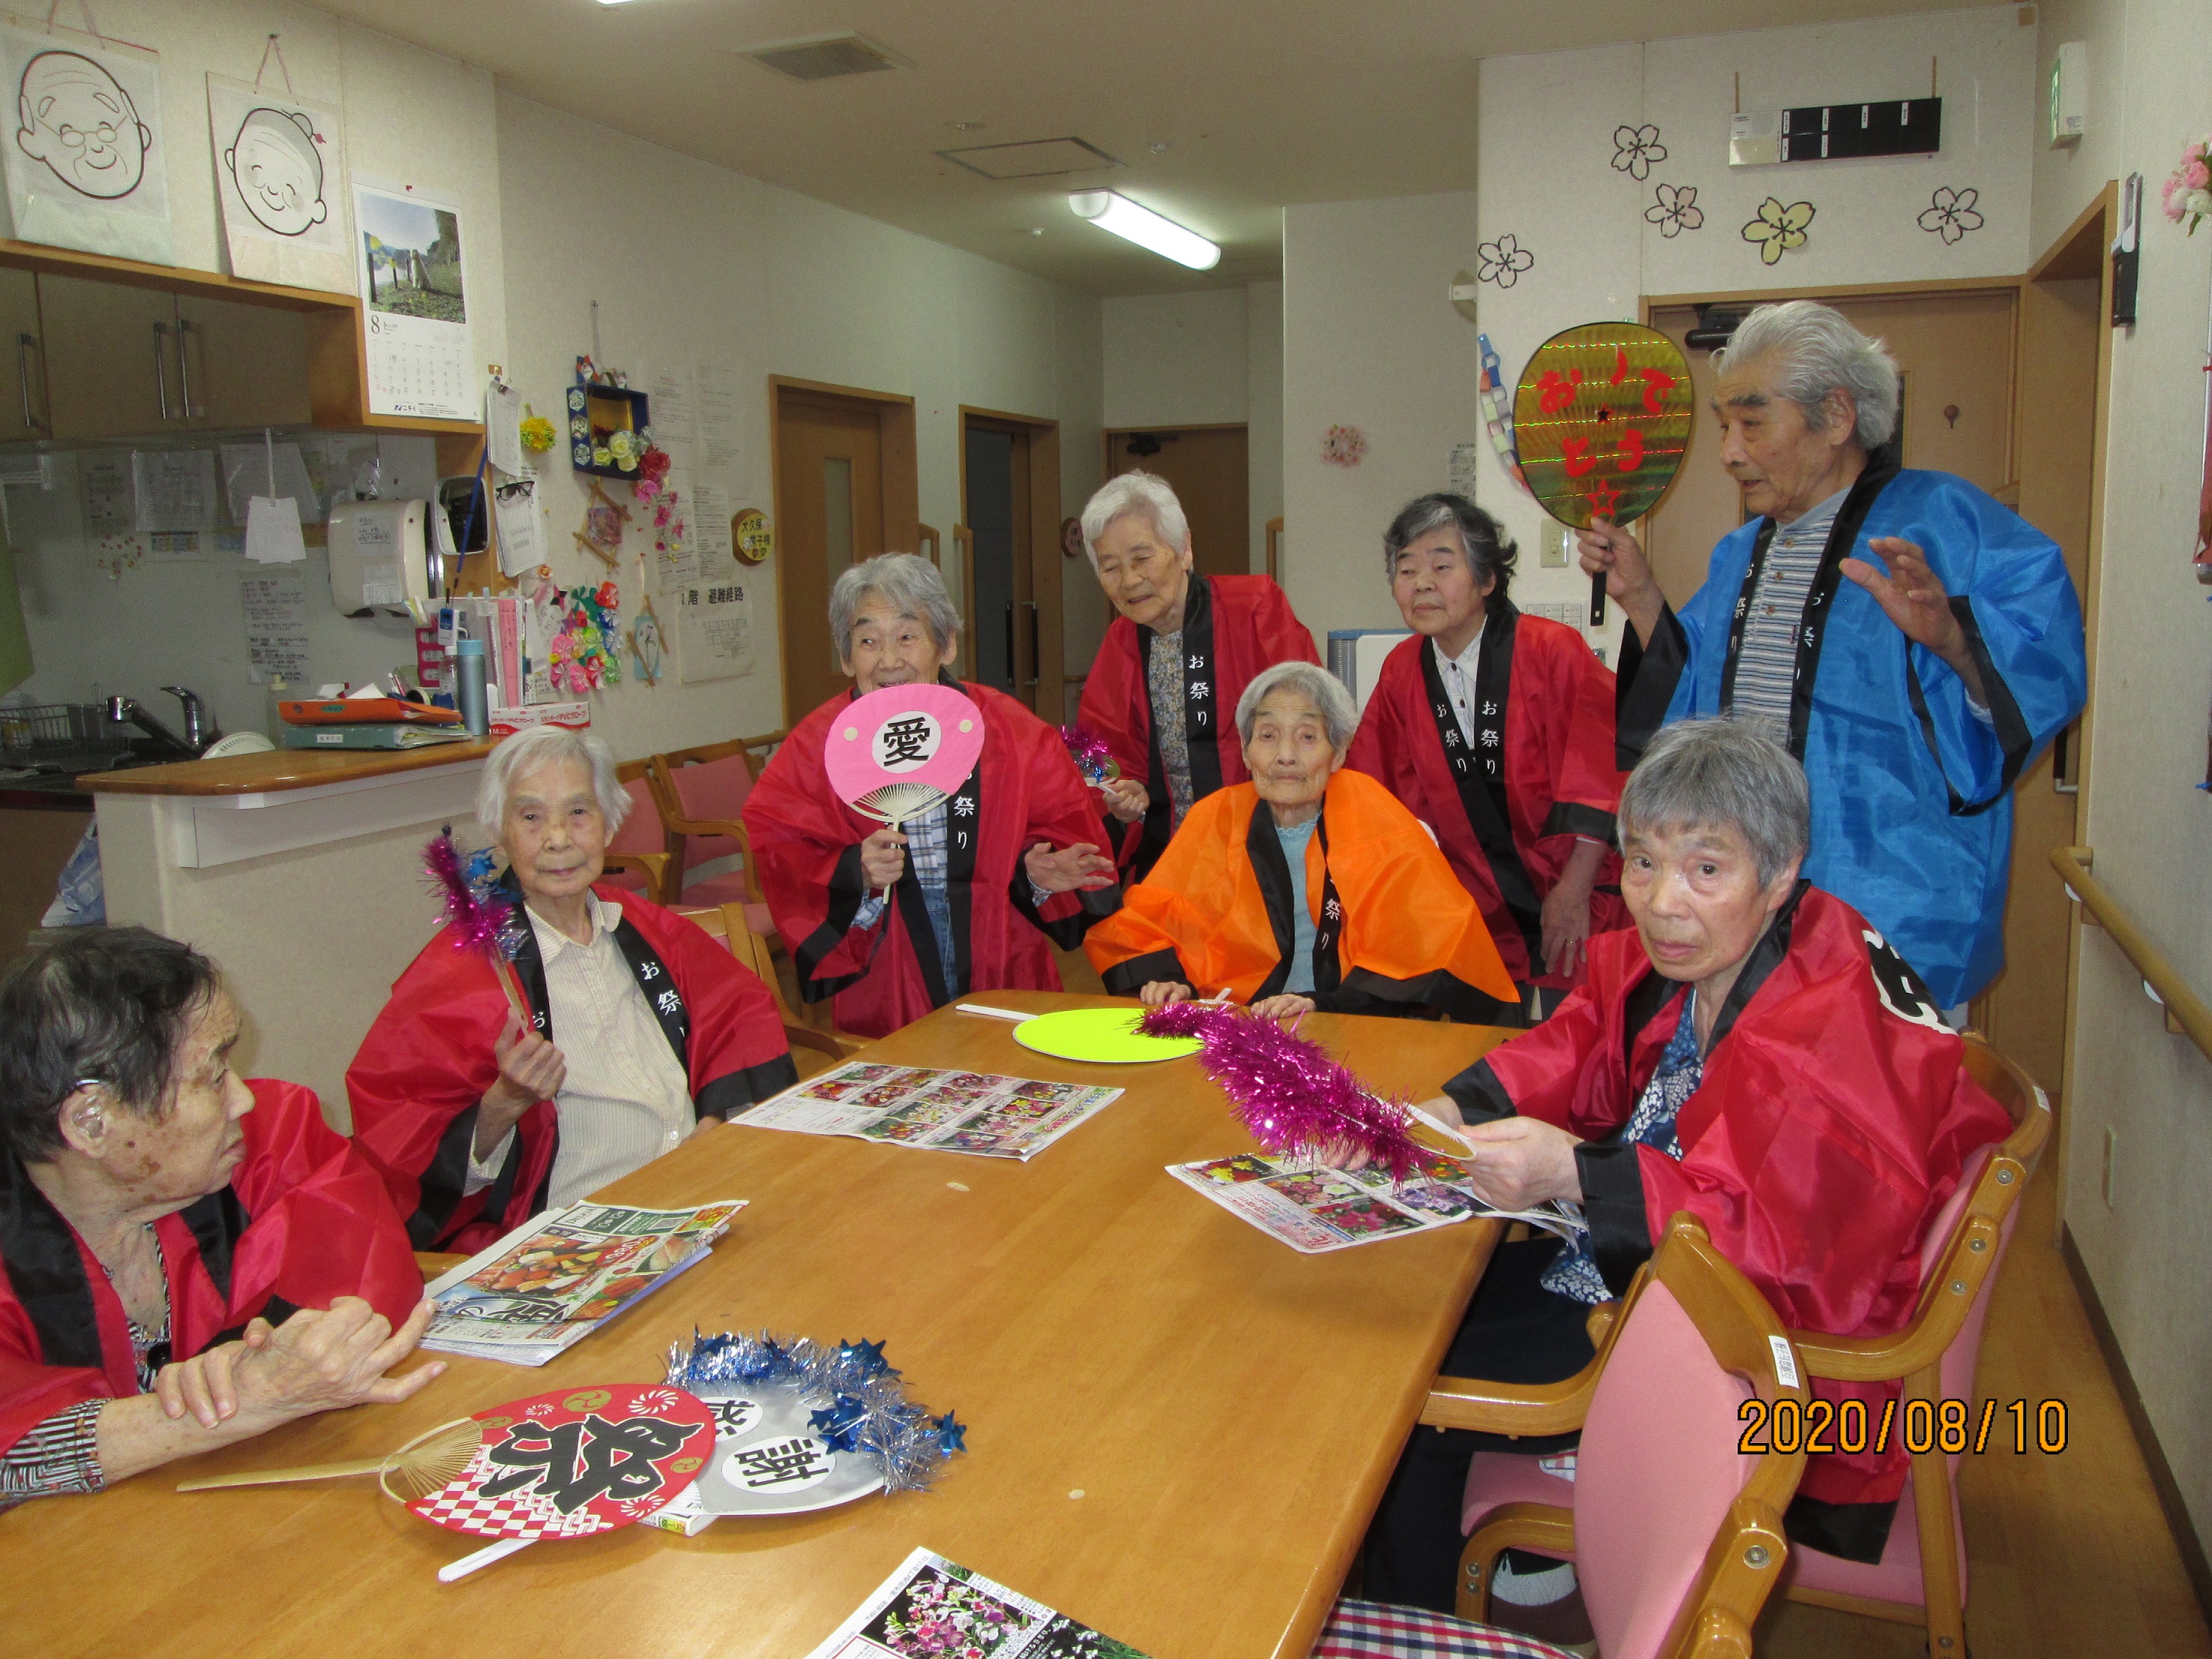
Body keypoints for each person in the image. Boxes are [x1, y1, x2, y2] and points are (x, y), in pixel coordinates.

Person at [1356, 718, 2013, 1622]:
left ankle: (1411, 1618)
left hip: (1772, 1363)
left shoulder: (1820, 1031)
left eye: (1706, 869)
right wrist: (1445, 1113)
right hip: (1661, 1260)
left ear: (1780, 873)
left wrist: (1574, 1175)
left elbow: (1774, 1253)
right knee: (1405, 1295)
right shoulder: (1732, 943)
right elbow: (1580, 1040)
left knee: (1401, 1380)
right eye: (1641, 863)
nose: (1663, 902)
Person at [1581, 299, 2085, 1012]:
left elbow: (2043, 673)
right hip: (1741, 912)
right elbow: (1689, 698)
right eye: (1726, 425)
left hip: (1890, 906)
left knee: (1875, 1114)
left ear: (1838, 416)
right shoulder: (1739, 554)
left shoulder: (1947, 522)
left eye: (1752, 423)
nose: (1728, 451)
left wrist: (1953, 641)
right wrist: (1640, 598)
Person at [0, 928, 439, 1507]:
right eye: (211, 1076)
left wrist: (259, 1375)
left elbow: (370, 1291)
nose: (243, 1099)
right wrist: (225, 1404)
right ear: (91, 1123)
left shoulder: (267, 1137)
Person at [348, 725, 798, 1253]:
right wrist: (502, 1104)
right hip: (575, 1240)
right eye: (532, 817)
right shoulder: (458, 976)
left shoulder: (645, 926)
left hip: (699, 1198)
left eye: (579, 813)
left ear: (609, 828)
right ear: (501, 833)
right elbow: (399, 1152)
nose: (558, 838)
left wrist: (719, 1122)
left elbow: (738, 1014)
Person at [745, 554, 1119, 1040]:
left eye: (906, 636)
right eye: (867, 641)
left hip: (1001, 961)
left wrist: (1033, 870)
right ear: (845, 655)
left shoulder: (1010, 730)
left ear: (946, 645)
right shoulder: (818, 745)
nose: (888, 660)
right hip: (884, 975)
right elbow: (780, 842)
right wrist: (853, 869)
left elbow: (1063, 818)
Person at [1085, 661, 1516, 1019]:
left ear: (1339, 752)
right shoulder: (1214, 817)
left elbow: (1429, 940)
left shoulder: (1377, 815)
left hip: (1350, 1021)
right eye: (1268, 735)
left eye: (1308, 737)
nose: (1286, 756)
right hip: (1239, 1018)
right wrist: (1170, 981)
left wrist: (1321, 1004)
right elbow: (1148, 923)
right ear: (1246, 751)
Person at [1347, 494, 1628, 1024]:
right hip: (1477, 909)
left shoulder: (1553, 650)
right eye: (1406, 569)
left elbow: (1602, 769)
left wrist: (1573, 889)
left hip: (1578, 890)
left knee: (1588, 1049)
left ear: (1487, 581)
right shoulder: (1401, 672)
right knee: (1484, 1060)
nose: (1421, 583)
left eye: (1442, 565)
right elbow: (1374, 792)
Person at [1076, 471, 1321, 878]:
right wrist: (1119, 791)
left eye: (1142, 558)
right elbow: (1092, 750)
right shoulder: (1119, 643)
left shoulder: (1255, 607)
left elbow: (1309, 721)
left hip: (1268, 841)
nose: (1130, 580)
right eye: (1111, 567)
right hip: (1169, 852)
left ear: (1184, 548)